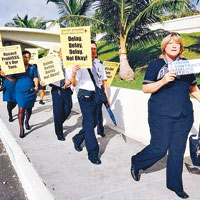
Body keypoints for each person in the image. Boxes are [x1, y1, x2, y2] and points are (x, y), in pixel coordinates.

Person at [130, 32, 200, 199]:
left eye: (177, 43)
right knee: (159, 149)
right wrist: (163, 80)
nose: (174, 46)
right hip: (161, 115)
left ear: (181, 47)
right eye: (170, 43)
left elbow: (193, 89)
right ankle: (136, 162)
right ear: (164, 47)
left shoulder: (186, 65)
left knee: (177, 151)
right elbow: (145, 88)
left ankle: (175, 185)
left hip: (184, 115)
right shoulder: (156, 65)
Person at [72, 40, 110, 165]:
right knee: (89, 124)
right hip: (85, 96)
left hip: (97, 96)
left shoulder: (99, 63)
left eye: (94, 48)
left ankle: (77, 139)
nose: (93, 50)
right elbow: (74, 83)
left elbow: (103, 82)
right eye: (90, 48)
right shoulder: (80, 64)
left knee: (93, 123)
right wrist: (73, 73)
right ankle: (93, 153)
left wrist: (107, 97)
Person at [1, 50, 39, 138]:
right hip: (19, 91)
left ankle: (26, 122)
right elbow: (13, 79)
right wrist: (6, 76)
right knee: (21, 109)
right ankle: (21, 129)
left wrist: (36, 86)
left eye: (28, 57)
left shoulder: (32, 67)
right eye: (24, 56)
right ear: (21, 57)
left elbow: (35, 77)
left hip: (30, 91)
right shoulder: (17, 68)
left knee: (29, 109)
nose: (26, 58)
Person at [49, 49, 79, 141]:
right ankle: (59, 133)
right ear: (59, 54)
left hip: (67, 89)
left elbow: (73, 77)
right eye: (62, 53)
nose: (63, 55)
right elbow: (47, 76)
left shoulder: (70, 64)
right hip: (56, 90)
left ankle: (58, 123)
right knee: (57, 112)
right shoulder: (52, 63)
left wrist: (69, 81)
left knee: (68, 109)